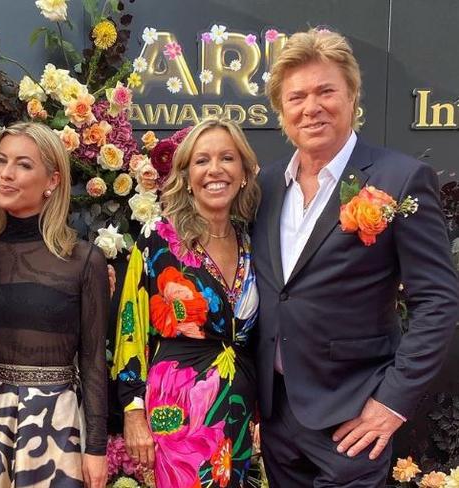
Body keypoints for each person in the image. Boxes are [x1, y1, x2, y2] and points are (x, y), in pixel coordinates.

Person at [252, 28, 459, 487]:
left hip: (353, 418)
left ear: (351, 96)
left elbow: (439, 302)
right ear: (282, 111)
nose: (312, 107)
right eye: (297, 96)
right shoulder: (265, 186)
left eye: (326, 91)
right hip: (277, 414)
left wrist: (390, 404)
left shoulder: (399, 179)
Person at [0, 122, 109, 488]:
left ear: (52, 181)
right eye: (1, 161)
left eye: (23, 165)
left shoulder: (84, 260)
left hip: (58, 425)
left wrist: (97, 448)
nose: (6, 175)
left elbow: (93, 361)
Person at [112, 117, 261, 487]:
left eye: (227, 158)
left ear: (243, 172)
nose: (215, 170)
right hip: (178, 409)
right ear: (187, 175)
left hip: (239, 410)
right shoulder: (158, 240)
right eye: (201, 160)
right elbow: (129, 327)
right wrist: (133, 411)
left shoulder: (254, 241)